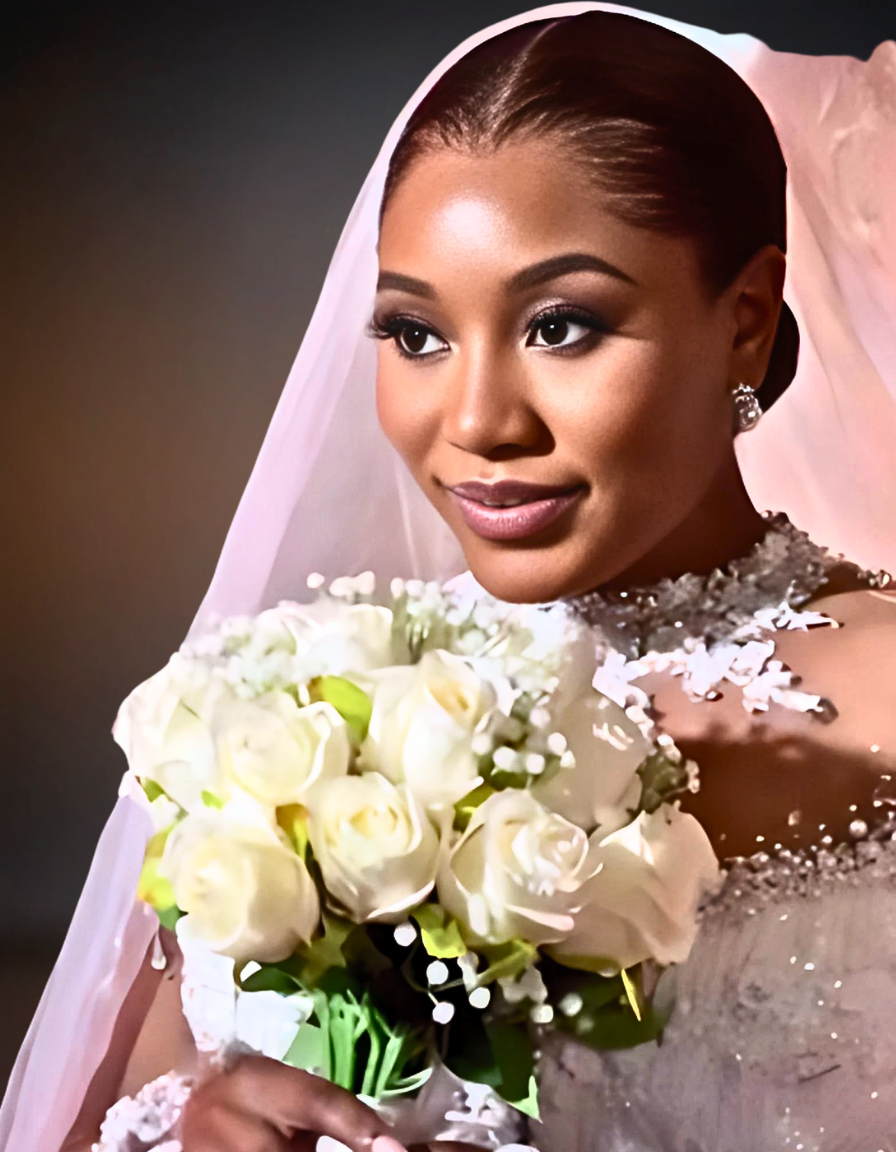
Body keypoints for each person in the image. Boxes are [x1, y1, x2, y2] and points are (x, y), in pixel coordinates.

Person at [3, 4, 896, 1151]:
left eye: (562, 326)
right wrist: (188, 1124)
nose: (474, 422)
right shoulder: (298, 716)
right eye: (416, 334)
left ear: (743, 316)